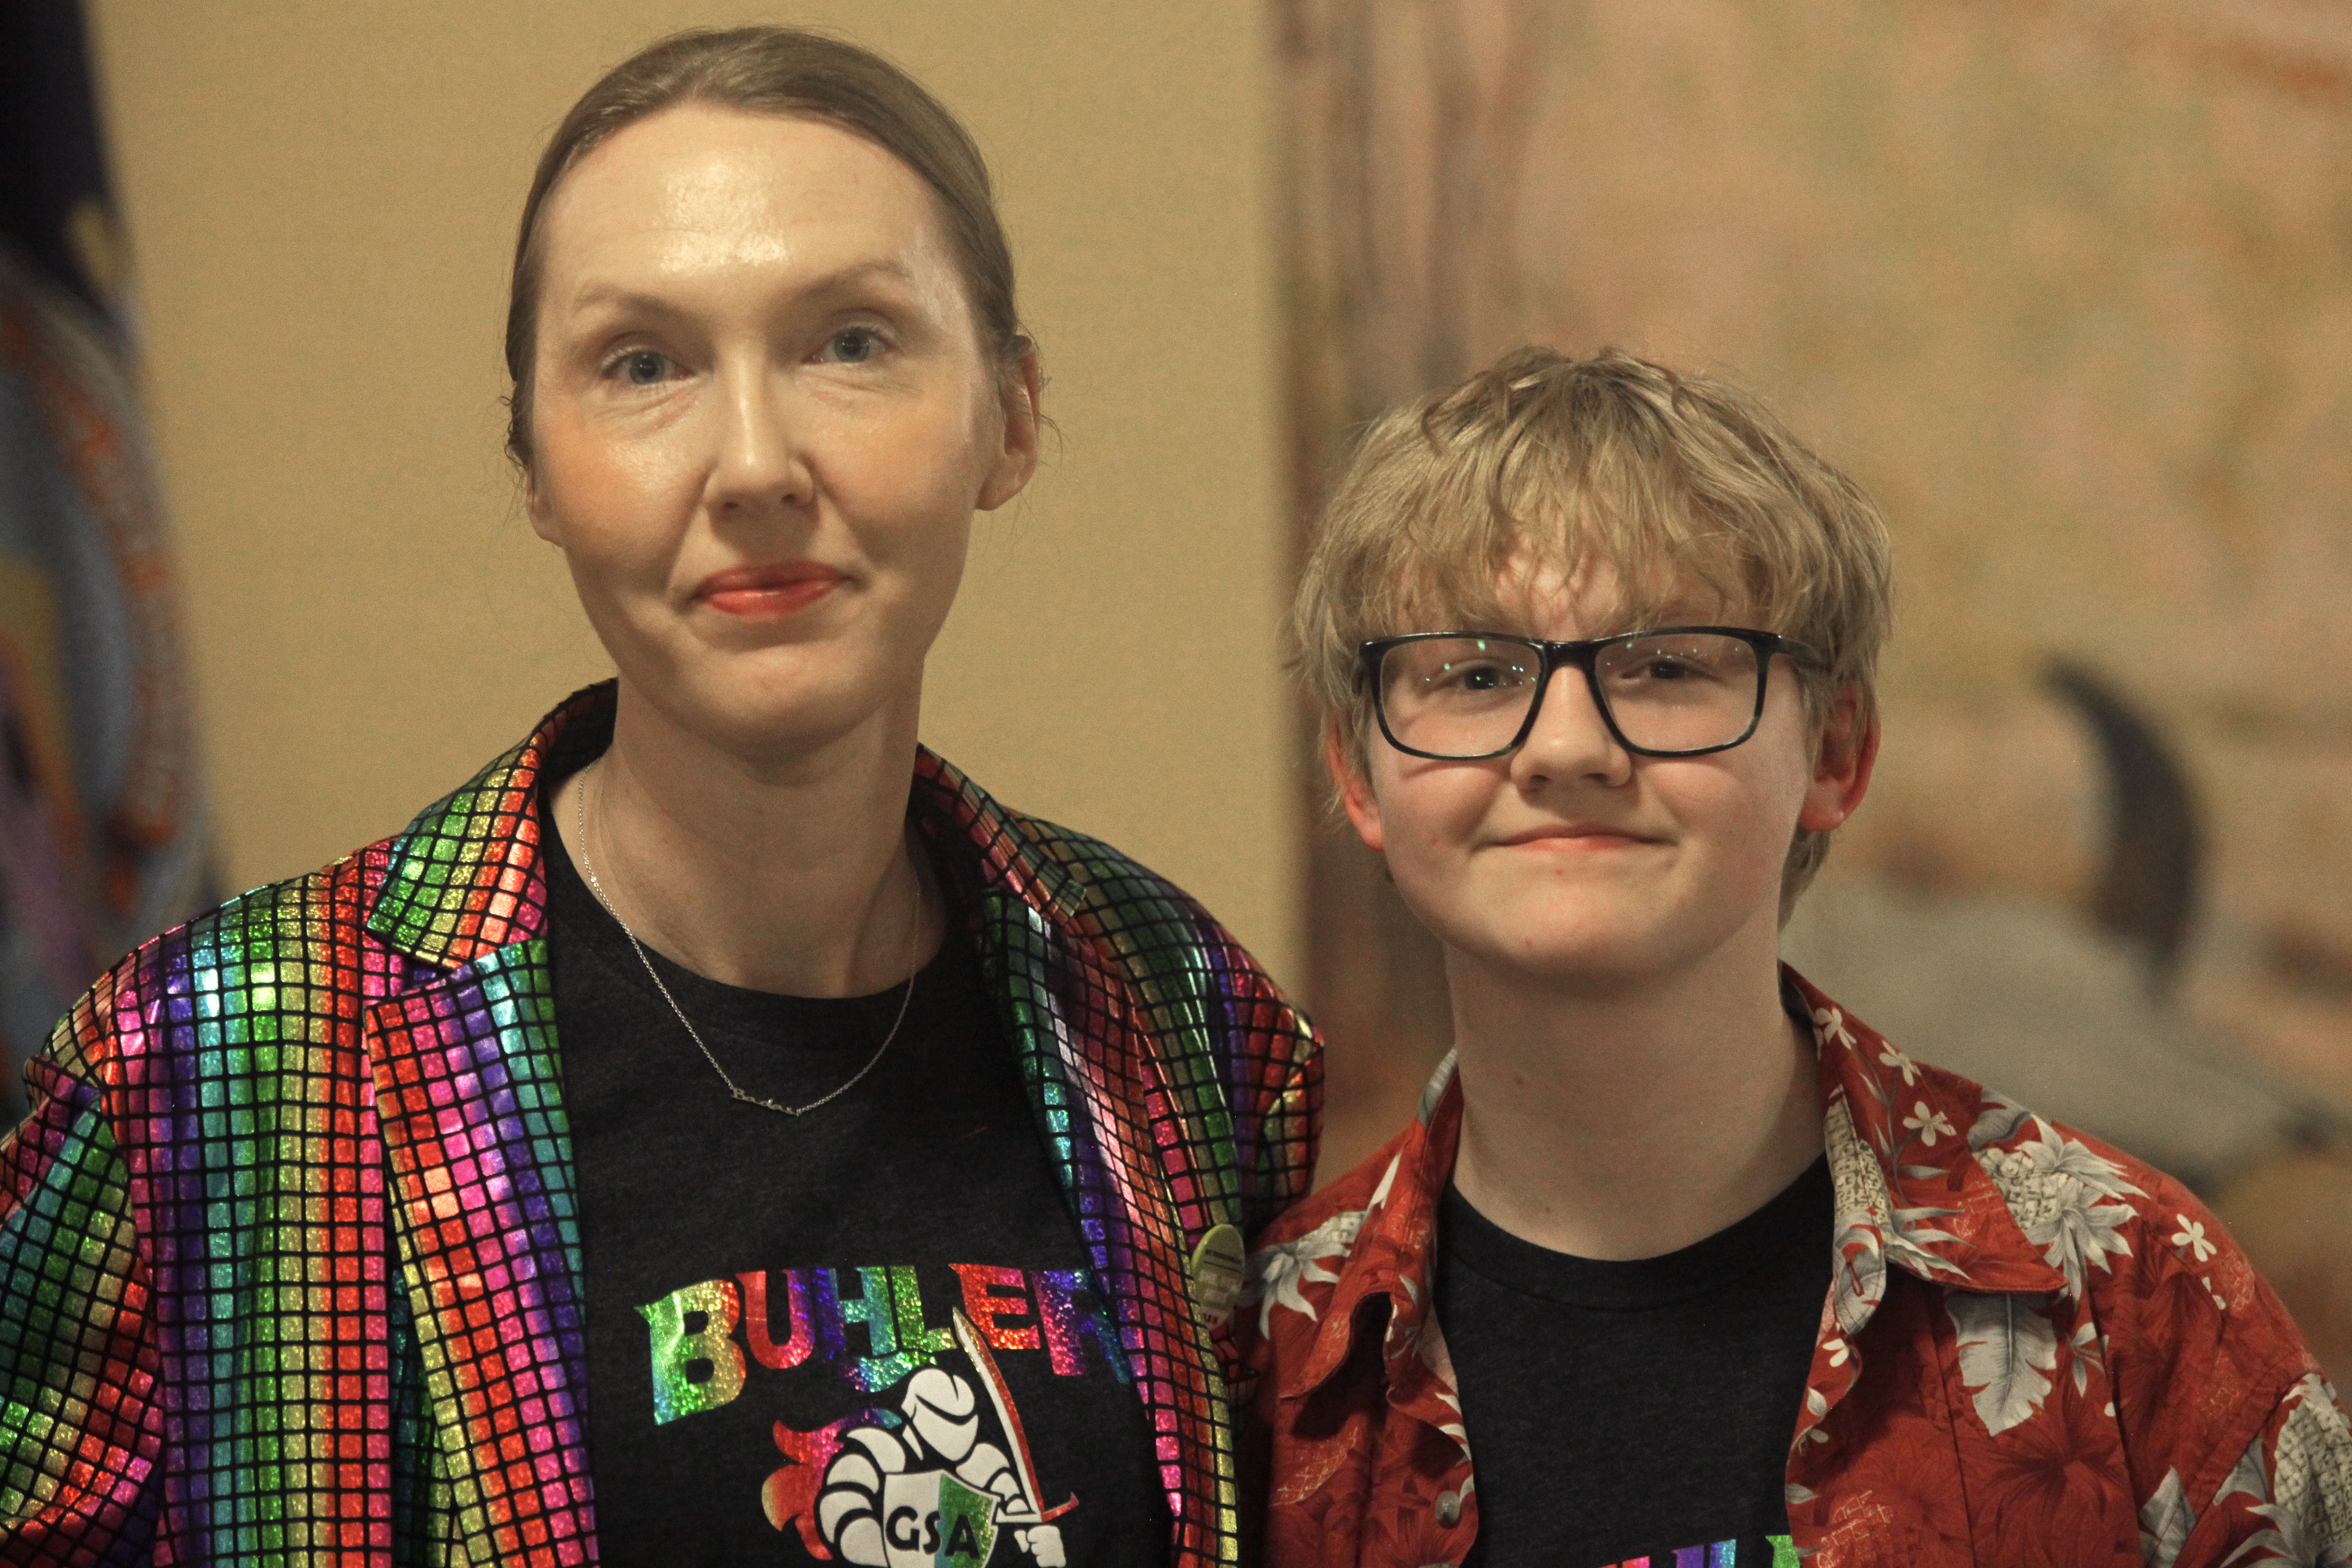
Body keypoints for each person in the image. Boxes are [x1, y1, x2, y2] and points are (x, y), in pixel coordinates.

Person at [0, 27, 1317, 1568]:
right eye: (643, 364)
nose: (754, 463)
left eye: (851, 342)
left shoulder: (1182, 1014)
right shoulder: (214, 1072)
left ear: (1010, 418)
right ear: (539, 465)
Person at [1239, 346, 2349, 1567]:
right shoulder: (1260, 1369)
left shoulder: (2131, 1292)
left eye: (1664, 666)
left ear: (1833, 754)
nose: (1563, 746)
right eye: (1473, 673)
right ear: (1358, 771)